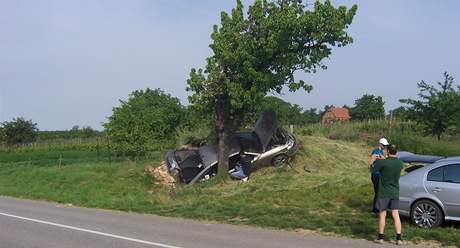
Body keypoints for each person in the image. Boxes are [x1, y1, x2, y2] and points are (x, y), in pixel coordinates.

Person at [372, 144, 403, 245]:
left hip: (384, 192)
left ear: (388, 152)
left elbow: (373, 169)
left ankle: (380, 237)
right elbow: (391, 164)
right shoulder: (400, 163)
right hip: (395, 192)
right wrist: (384, 159)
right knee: (395, 214)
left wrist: (376, 159)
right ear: (396, 152)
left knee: (382, 214)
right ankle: (398, 238)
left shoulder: (383, 162)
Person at [369, 137, 389, 213]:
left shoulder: (380, 151)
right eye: (384, 145)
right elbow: (371, 162)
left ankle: (376, 208)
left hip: (378, 174)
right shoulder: (377, 151)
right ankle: (375, 209)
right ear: (380, 144)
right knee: (378, 191)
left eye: (385, 145)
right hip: (376, 175)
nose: (385, 146)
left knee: (378, 191)